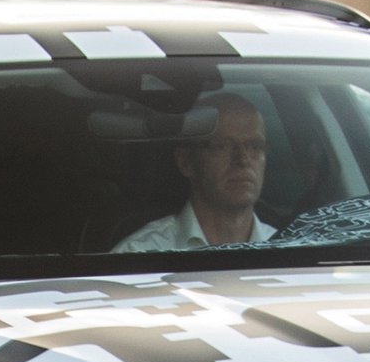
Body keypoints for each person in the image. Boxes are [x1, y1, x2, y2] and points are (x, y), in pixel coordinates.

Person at [113, 92, 277, 253]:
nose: (243, 159)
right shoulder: (138, 254)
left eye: (255, 146)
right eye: (222, 146)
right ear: (186, 161)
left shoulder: (285, 247)